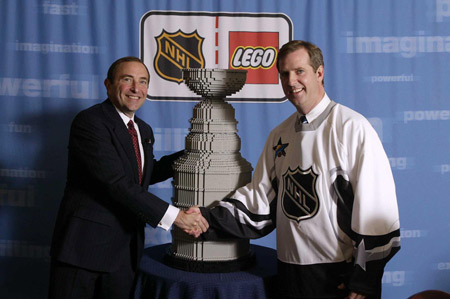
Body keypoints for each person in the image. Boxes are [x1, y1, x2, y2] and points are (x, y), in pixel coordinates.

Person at [198, 41, 401, 299]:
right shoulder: (279, 135)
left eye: (299, 71)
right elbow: (260, 201)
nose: (291, 81)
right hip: (290, 271)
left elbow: (378, 209)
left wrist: (364, 279)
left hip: (340, 276)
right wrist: (206, 218)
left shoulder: (352, 128)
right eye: (284, 73)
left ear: (319, 73)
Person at [48, 56, 208, 299]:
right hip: (83, 253)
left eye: (143, 82)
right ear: (108, 85)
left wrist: (194, 152)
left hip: (125, 253)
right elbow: (116, 183)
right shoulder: (90, 122)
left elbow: (143, 174)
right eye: (127, 80)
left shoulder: (142, 129)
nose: (136, 89)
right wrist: (177, 217)